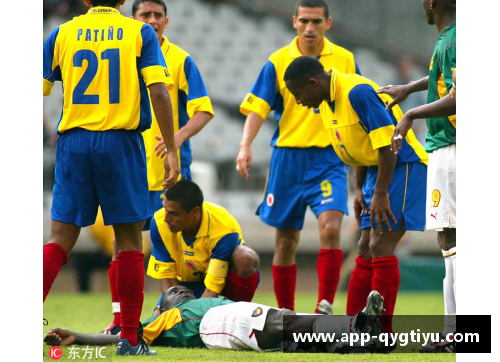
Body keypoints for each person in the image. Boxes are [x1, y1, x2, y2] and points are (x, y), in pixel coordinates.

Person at [42, 0, 180, 355]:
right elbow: (159, 90)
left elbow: (39, 89)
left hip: (73, 141)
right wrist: (173, 151)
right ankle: (130, 340)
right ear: (122, 2)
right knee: (130, 237)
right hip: (121, 141)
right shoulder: (139, 32)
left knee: (59, 239)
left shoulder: (61, 33)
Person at [284, 56, 428, 342]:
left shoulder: (356, 92)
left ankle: (381, 334)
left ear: (313, 83)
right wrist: (359, 189)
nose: (299, 102)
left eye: (298, 95)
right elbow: (359, 146)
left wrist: (381, 193)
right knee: (364, 247)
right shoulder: (327, 103)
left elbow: (388, 143)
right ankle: (352, 329)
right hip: (376, 172)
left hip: (403, 165)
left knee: (380, 244)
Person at [236, 0, 361, 314]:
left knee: (331, 230)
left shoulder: (345, 59)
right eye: (304, 20)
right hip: (287, 160)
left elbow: (358, 99)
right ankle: (287, 314)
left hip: (330, 158)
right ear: (294, 21)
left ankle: (325, 306)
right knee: (286, 241)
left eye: (317, 21)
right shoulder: (277, 61)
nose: (310, 28)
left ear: (327, 24)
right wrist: (245, 144)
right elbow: (258, 107)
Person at [99, 0, 215, 336]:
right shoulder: (120, 56)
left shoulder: (181, 59)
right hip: (130, 165)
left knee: (181, 247)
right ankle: (120, 319)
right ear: (133, 19)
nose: (151, 20)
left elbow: (203, 111)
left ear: (167, 20)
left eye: (157, 15)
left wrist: (174, 140)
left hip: (171, 171)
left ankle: (183, 316)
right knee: (123, 246)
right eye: (144, 15)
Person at [376, 0, 456, 353]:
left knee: (452, 240)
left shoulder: (454, 40)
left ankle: (456, 333)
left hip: (452, 146)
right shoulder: (450, 39)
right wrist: (410, 88)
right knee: (450, 240)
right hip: (448, 147)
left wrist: (411, 114)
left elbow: (460, 96)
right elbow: (441, 76)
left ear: (432, 3)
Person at [44, 286, 386, 353]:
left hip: (231, 319)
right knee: (288, 321)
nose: (178, 290)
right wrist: (79, 336)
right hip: (218, 324)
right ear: (160, 309)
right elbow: (127, 339)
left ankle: (359, 342)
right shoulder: (171, 317)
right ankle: (357, 324)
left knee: (296, 334)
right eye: (172, 292)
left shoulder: (201, 302)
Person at [147, 180, 260, 310]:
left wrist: (192, 317)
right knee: (157, 321)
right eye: (165, 209)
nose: (166, 218)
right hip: (185, 285)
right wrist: (174, 311)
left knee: (245, 257)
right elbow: (168, 280)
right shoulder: (159, 222)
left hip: (224, 283)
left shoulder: (223, 228)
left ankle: (236, 315)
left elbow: (212, 290)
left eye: (173, 213)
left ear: (195, 212)